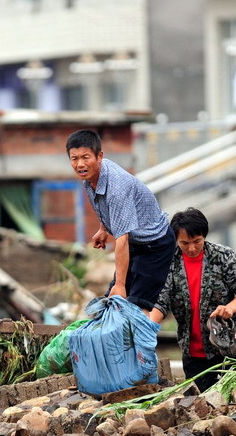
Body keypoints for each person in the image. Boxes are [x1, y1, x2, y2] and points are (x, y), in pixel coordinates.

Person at [149, 208, 236, 392]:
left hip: (232, 346)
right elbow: (161, 302)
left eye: (196, 242)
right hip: (194, 354)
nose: (191, 248)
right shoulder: (169, 263)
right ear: (176, 240)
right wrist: (147, 330)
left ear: (204, 236)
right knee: (201, 406)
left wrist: (230, 308)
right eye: (184, 243)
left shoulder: (223, 256)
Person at [66, 129, 175, 312]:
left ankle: (143, 339)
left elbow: (122, 240)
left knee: (135, 308)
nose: (80, 164)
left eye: (86, 157)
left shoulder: (117, 187)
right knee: (113, 304)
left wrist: (121, 284)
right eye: (74, 158)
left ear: (99, 156)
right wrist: (103, 228)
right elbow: (106, 206)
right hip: (136, 244)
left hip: (155, 246)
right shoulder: (91, 177)